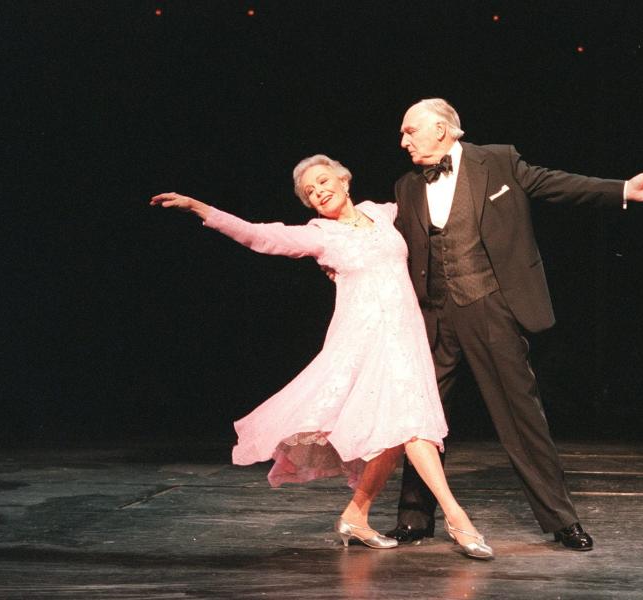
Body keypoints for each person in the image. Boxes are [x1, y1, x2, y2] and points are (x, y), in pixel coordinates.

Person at [150, 154, 493, 560]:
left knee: (393, 438)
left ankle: (356, 516)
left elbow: (432, 217)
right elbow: (260, 236)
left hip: (406, 337)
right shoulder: (321, 235)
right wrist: (201, 208)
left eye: (324, 181)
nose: (319, 191)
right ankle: (458, 518)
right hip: (364, 341)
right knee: (414, 427)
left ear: (345, 181)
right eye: (310, 191)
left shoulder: (384, 214)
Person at [387, 98, 643, 551]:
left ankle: (561, 519)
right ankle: (414, 517)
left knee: (520, 416)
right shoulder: (407, 185)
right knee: (421, 418)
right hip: (434, 316)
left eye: (410, 131)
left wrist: (623, 190)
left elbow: (555, 184)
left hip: (489, 308)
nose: (403, 141)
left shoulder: (498, 161)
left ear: (442, 129)